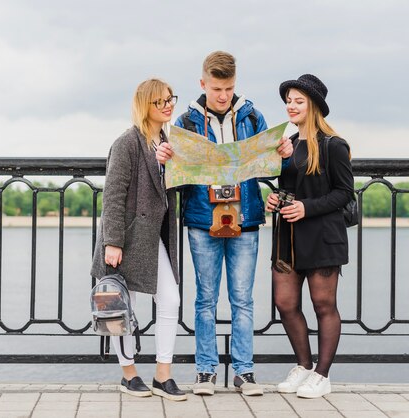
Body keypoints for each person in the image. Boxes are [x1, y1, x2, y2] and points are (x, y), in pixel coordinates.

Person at [156, 51, 293, 396]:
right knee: (205, 298)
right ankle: (205, 372)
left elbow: (272, 169)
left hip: (246, 218)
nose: (223, 95)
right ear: (203, 83)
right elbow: (174, 177)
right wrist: (166, 160)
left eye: (229, 88)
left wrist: (284, 155)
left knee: (243, 299)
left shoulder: (253, 117)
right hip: (203, 219)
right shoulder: (185, 122)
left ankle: (244, 373)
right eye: (217, 88)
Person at [90, 78, 187, 401]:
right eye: (160, 102)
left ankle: (163, 374)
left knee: (170, 298)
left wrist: (167, 166)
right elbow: (113, 195)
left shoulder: (164, 143)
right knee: (119, 306)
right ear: (145, 106)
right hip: (126, 238)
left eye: (170, 99)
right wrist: (112, 242)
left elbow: (167, 193)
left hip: (153, 237)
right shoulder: (127, 142)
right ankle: (128, 373)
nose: (168, 105)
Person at [265, 74, 354, 398]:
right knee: (285, 303)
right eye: (288, 100)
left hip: (322, 235)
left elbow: (344, 193)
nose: (291, 105)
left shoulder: (334, 145)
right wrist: (276, 199)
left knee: (323, 305)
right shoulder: (288, 145)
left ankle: (322, 374)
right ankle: (303, 366)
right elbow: (290, 187)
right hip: (288, 237)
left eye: (298, 101)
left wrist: (306, 208)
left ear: (313, 106)